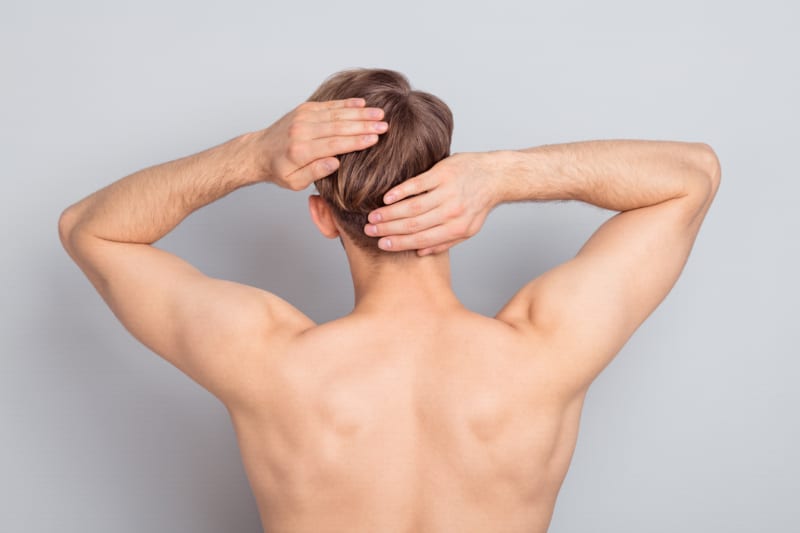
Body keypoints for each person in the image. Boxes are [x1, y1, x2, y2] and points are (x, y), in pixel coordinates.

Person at [58, 68, 721, 533]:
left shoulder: (266, 359)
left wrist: (253, 155)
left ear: (323, 215)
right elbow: (692, 177)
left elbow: (88, 228)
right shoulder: (547, 347)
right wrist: (504, 175)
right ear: (454, 195)